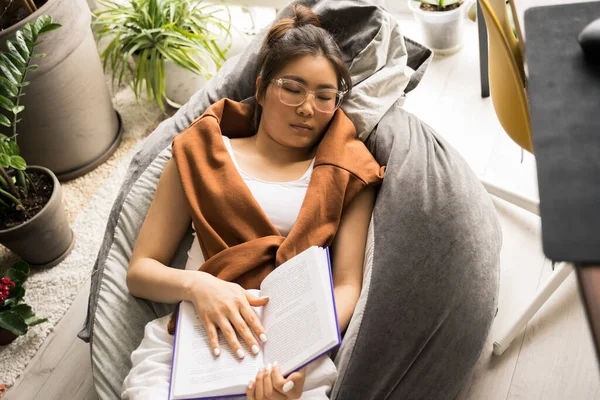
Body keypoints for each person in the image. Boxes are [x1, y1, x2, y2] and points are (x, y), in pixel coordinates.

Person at [121, 4, 384, 399]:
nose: (308, 108)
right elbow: (141, 270)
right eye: (292, 89)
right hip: (199, 341)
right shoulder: (201, 152)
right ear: (261, 89)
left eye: (325, 96)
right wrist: (199, 287)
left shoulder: (348, 172)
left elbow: (347, 284)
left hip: (291, 356)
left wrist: (299, 351)